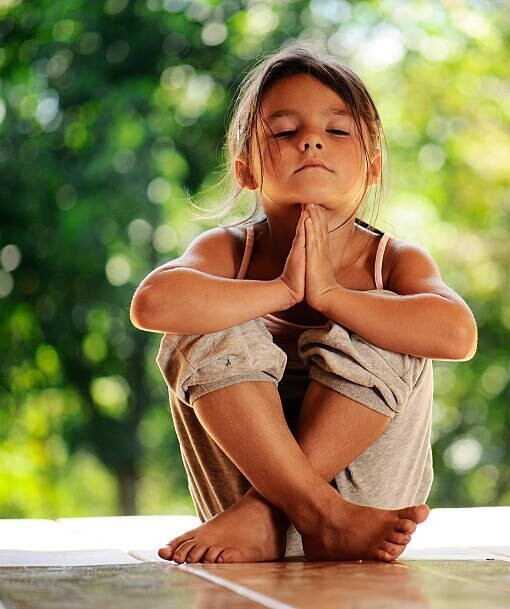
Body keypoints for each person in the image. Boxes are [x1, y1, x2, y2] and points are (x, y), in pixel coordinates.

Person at [130, 43, 477, 565]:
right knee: (197, 314)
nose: (311, 140)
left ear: (372, 166)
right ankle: (313, 512)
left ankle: (279, 512)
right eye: (285, 132)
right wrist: (282, 291)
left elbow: (457, 335)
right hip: (247, 525)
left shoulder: (395, 260)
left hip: (362, 509)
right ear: (246, 170)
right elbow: (152, 305)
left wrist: (333, 297)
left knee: (396, 317)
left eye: (337, 131)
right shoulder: (228, 251)